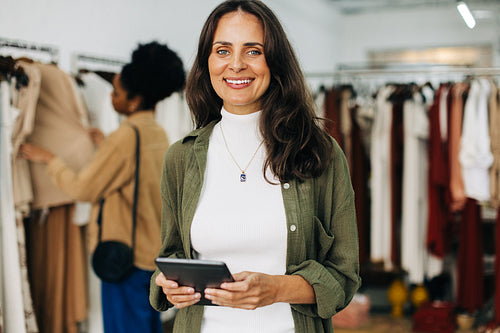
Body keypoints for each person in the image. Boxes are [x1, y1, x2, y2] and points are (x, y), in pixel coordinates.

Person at [149, 0, 361, 332]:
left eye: (253, 51)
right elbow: (171, 256)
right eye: (222, 51)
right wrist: (168, 283)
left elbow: (344, 278)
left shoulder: (319, 152)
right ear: (207, 61)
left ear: (274, 62)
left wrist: (276, 289)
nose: (235, 65)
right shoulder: (181, 157)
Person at [19, 41, 186, 333]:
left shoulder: (126, 136)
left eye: (117, 92)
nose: (111, 96)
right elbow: (137, 174)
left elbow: (84, 189)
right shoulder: (156, 132)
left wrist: (51, 160)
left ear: (134, 101)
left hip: (127, 259)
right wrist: (104, 144)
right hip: (151, 256)